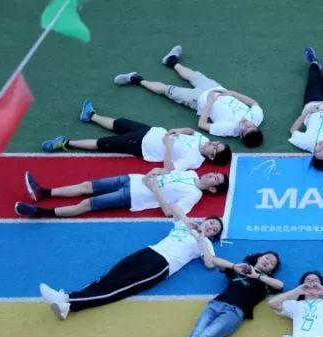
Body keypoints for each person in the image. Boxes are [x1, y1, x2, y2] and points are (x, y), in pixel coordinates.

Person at [37, 195, 222, 320]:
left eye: (214, 230)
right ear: (206, 219)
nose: (211, 227)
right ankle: (66, 299)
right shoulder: (185, 225)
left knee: (119, 287)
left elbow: (209, 264)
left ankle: (71, 303)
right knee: (110, 277)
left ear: (213, 235)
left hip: (162, 265)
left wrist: (200, 239)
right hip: (149, 251)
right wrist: (188, 222)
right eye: (212, 222)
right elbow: (175, 207)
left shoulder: (206, 243)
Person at [144, 251, 284, 337]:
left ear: (272, 270)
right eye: (267, 257)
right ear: (259, 257)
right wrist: (234, 266)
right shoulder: (241, 269)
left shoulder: (266, 281)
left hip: (234, 312)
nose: (268, 262)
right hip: (214, 305)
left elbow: (280, 285)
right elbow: (213, 260)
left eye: (272, 263)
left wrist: (257, 276)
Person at [113, 45, 264, 148]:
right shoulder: (256, 118)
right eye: (251, 126)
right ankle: (171, 61)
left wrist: (209, 102)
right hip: (217, 88)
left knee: (167, 90)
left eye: (246, 129)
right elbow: (253, 103)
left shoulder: (228, 129)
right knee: (192, 75)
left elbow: (202, 125)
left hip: (198, 99)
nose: (247, 123)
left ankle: (136, 79)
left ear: (241, 135)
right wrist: (231, 93)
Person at [41, 100, 231, 167]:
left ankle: (66, 142)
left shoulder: (194, 161)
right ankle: (90, 115)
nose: (213, 143)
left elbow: (169, 169)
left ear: (211, 156)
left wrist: (168, 146)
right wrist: (180, 130)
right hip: (151, 131)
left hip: (142, 145)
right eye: (216, 143)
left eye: (215, 148)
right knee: (119, 123)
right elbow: (191, 131)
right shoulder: (203, 139)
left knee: (103, 143)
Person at [15, 163, 226, 218]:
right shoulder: (191, 173)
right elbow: (169, 172)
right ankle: (43, 192)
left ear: (213, 189)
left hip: (133, 196)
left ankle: (39, 213)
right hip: (131, 179)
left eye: (215, 179)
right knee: (86, 186)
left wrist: (155, 189)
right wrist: (157, 171)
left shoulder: (194, 195)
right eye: (214, 173)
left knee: (87, 204)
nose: (211, 175)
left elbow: (170, 212)